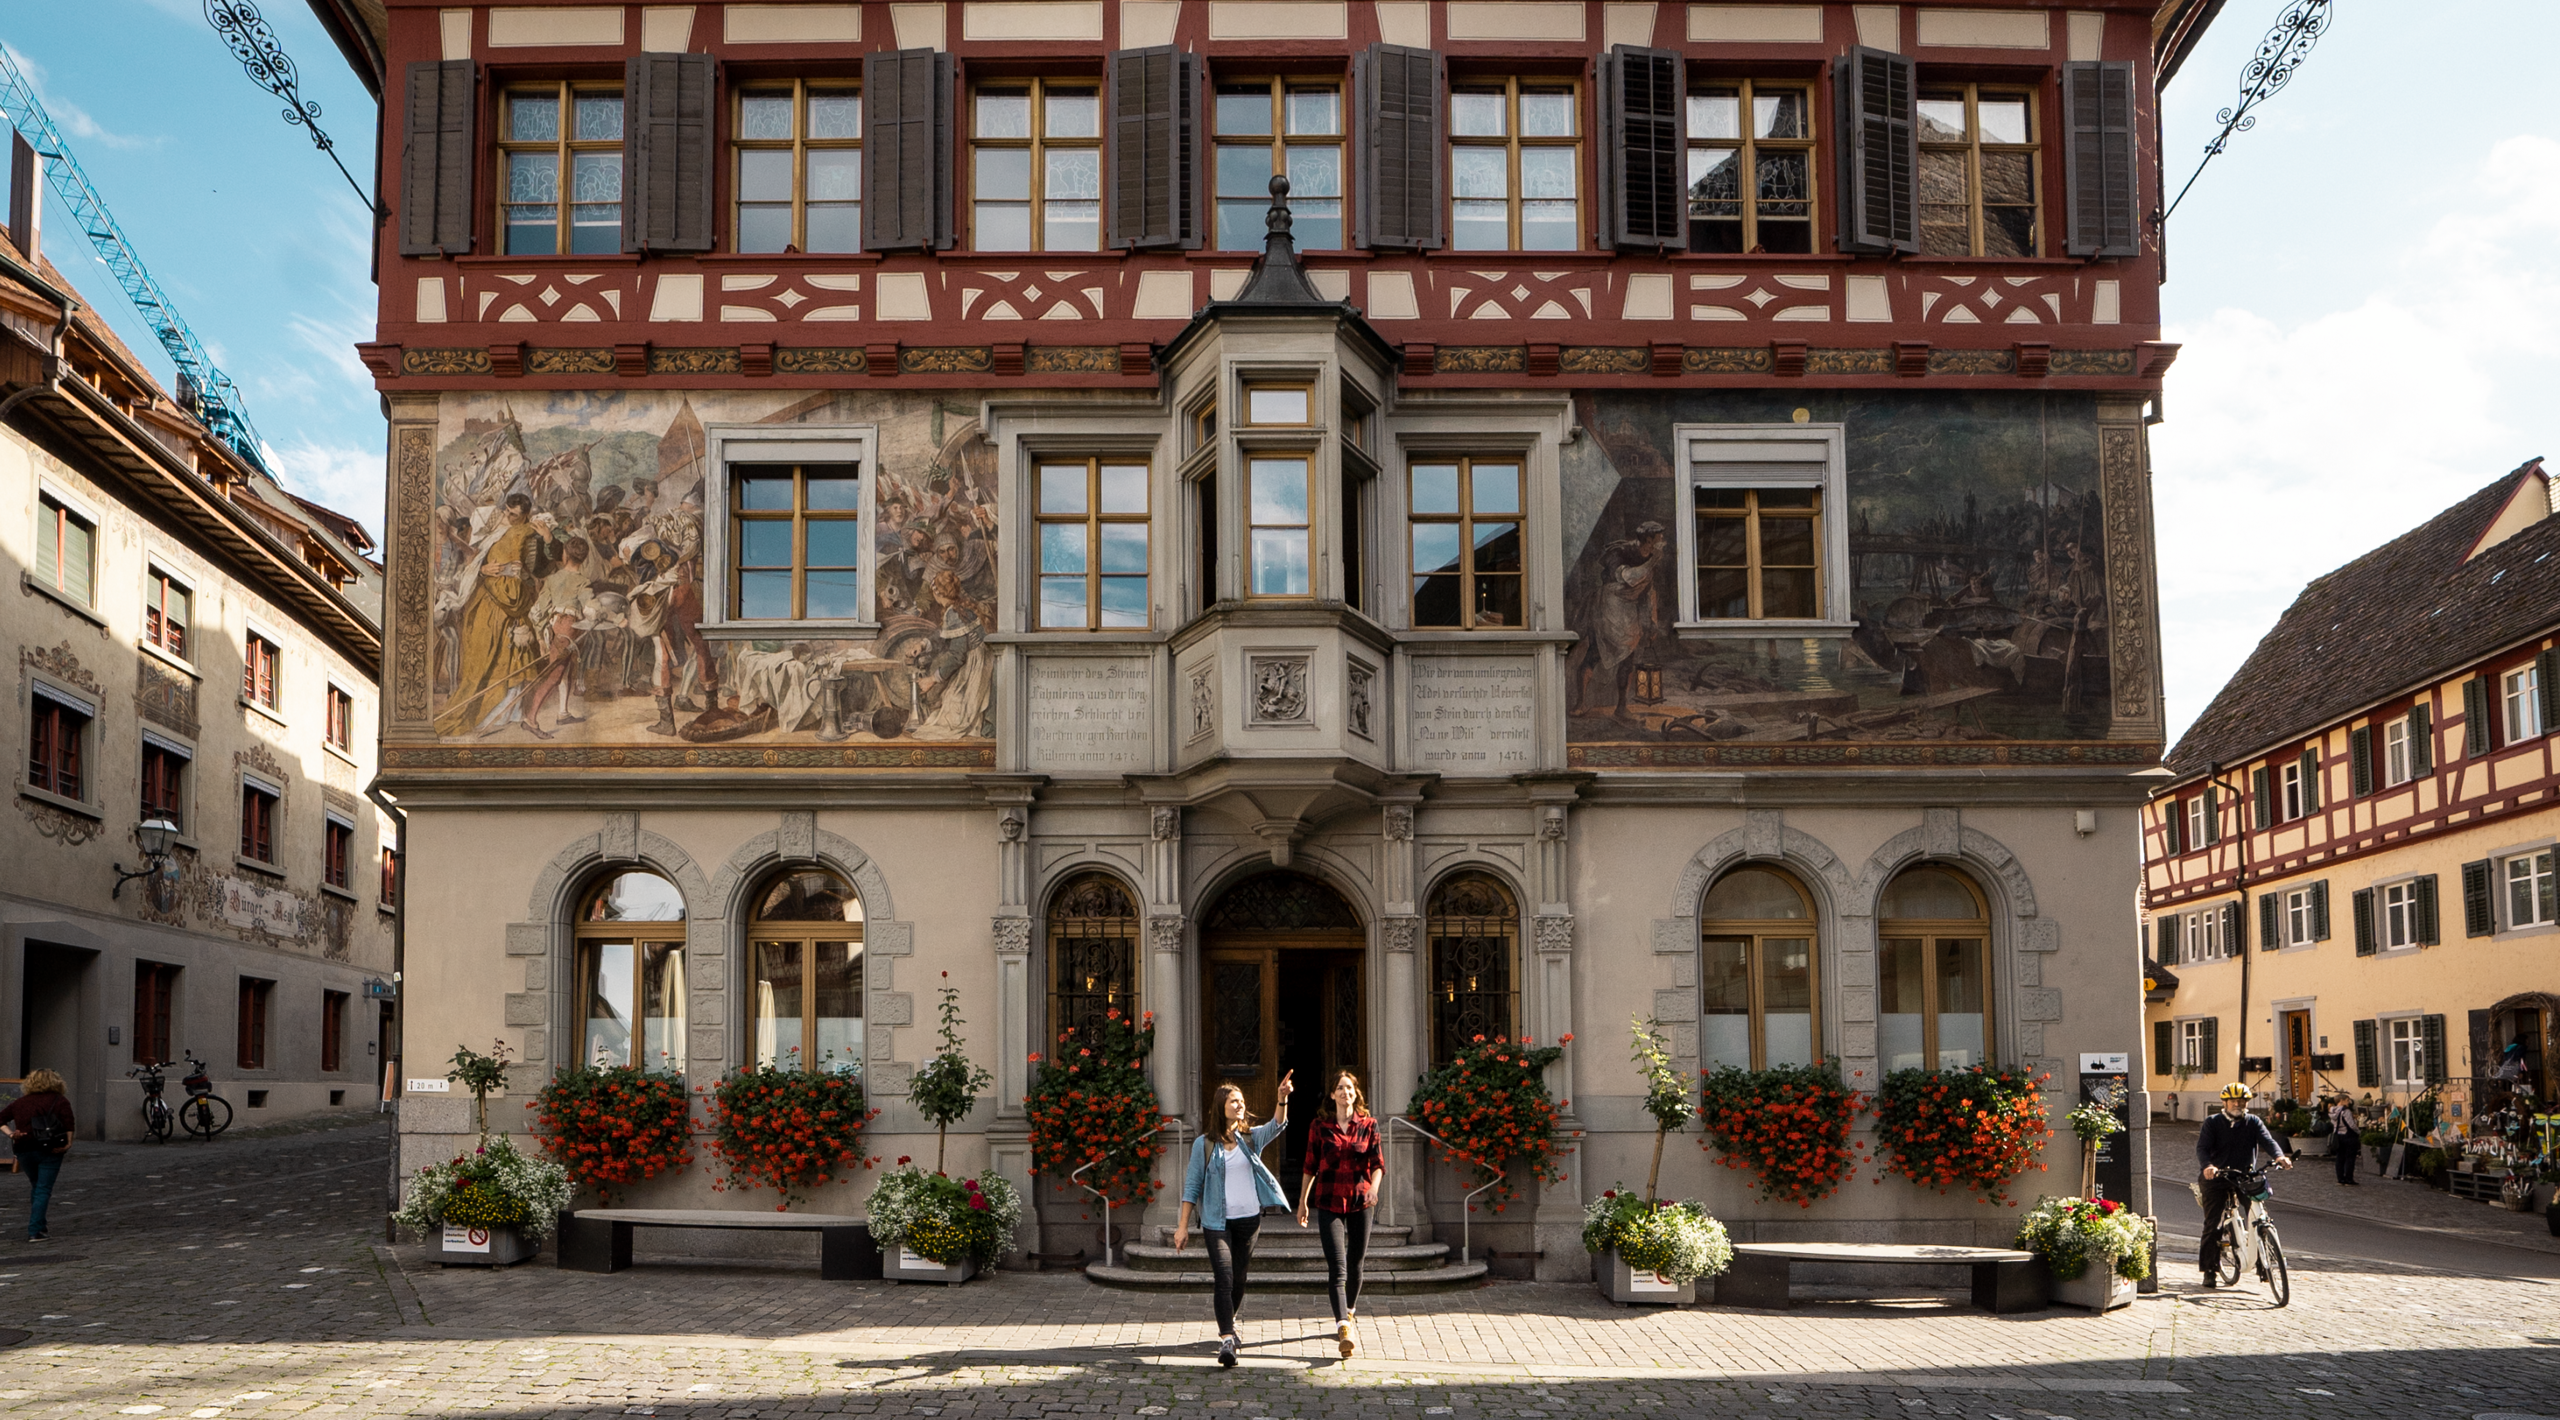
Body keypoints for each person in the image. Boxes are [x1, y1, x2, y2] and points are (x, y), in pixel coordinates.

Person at [1175, 1072, 1294, 1368]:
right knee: (1224, 1278)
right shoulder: (1204, 1144)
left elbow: (1277, 1125)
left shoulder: (1250, 1139)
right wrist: (1182, 1226)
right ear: (1221, 1106)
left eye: (1241, 1101)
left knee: (1238, 1279)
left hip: (1249, 1221)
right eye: (1234, 1101)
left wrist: (1282, 1099)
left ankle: (1230, 1320)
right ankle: (1227, 1338)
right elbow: (1192, 1186)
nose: (1240, 1105)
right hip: (1216, 1223)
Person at [1296, 1071, 1385, 1358]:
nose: (1345, 1092)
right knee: (1337, 1266)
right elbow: (1310, 1166)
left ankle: (1349, 1310)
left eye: (1349, 1087)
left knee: (1356, 1262)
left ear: (1356, 1093)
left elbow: (1378, 1163)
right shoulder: (1320, 1126)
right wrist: (1302, 1202)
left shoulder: (1369, 1125)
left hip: (1360, 1201)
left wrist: (1373, 1187)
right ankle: (1343, 1326)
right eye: (1339, 1088)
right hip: (1329, 1200)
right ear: (1332, 1095)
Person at [2196, 1082, 2290, 1285]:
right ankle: (2210, 1271)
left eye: (2242, 1101)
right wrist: (2208, 1166)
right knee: (2213, 1225)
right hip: (2217, 1177)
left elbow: (2268, 1141)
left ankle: (2263, 1264)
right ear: (2225, 1102)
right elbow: (2202, 1148)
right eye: (2234, 1101)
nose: (2238, 1104)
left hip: (2245, 1177)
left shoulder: (2253, 1122)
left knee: (2258, 1216)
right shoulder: (2212, 1122)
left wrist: (2279, 1156)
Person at [0, 1070, 75, 1241]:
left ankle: (40, 1226)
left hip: (24, 1148)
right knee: (43, 1188)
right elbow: (69, 1123)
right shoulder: (60, 1101)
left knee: (37, 1186)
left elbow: (1, 1119)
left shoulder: (20, 1103)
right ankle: (35, 1230)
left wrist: (11, 1135)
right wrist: (68, 1143)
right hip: (51, 1149)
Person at [2328, 1093, 2361, 1186]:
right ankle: (2349, 1179)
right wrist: (2359, 1132)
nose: (2348, 1102)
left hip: (2338, 1136)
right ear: (2341, 1101)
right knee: (2350, 1158)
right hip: (2348, 1136)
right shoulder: (2345, 1111)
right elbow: (2352, 1125)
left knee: (2340, 1158)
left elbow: (2334, 1124)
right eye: (2347, 1100)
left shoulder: (2332, 1110)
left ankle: (2340, 1179)